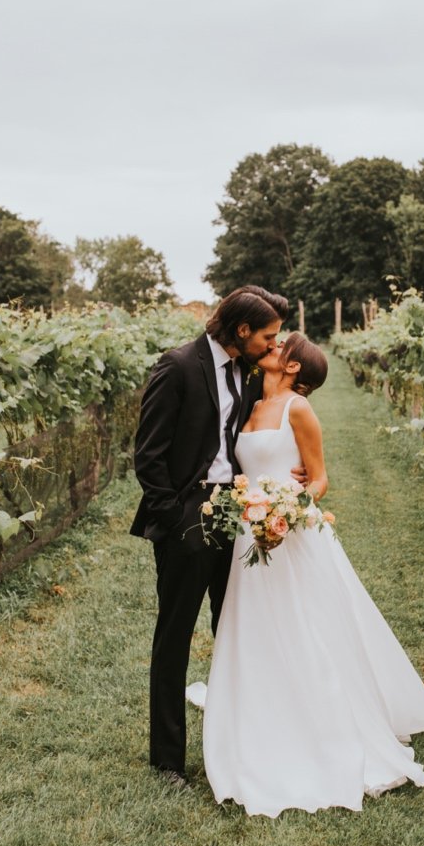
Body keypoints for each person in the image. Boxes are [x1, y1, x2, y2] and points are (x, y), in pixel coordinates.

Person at [190, 333, 424, 818]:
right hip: (251, 531)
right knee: (254, 626)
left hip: (287, 532)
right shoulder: (248, 401)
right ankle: (257, 706)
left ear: (291, 368)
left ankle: (316, 720)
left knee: (305, 627)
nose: (274, 343)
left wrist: (287, 509)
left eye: (281, 344)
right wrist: (257, 516)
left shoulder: (298, 410)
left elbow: (319, 476)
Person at [130, 285, 291, 786]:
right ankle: (167, 761)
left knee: (235, 630)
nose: (272, 346)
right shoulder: (178, 366)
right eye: (267, 336)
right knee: (175, 637)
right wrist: (175, 517)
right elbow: (148, 454)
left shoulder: (244, 371)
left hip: (236, 513)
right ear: (242, 331)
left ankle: (237, 742)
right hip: (186, 517)